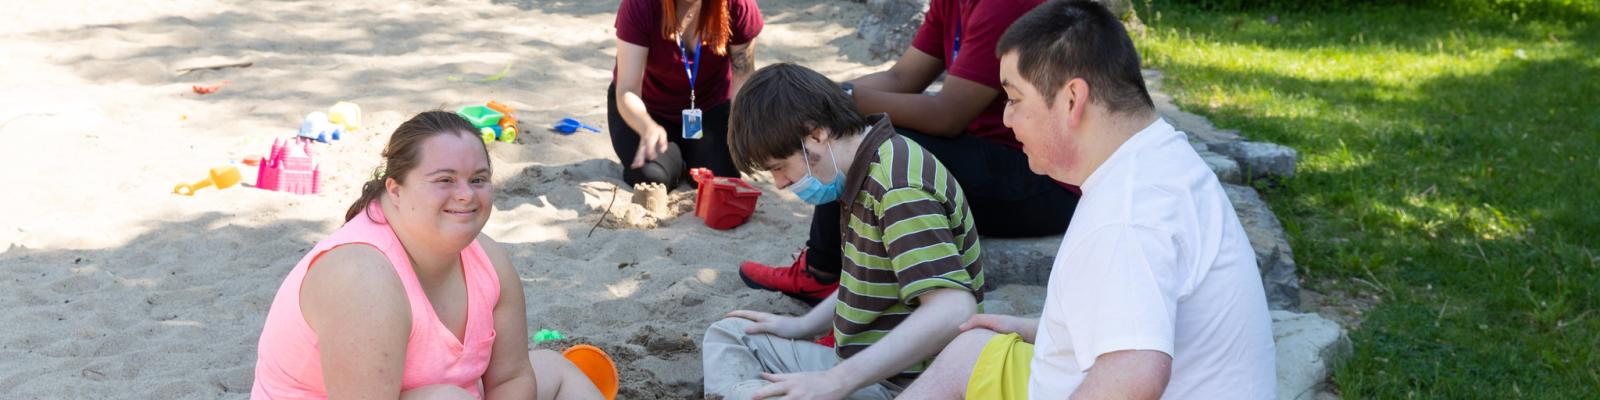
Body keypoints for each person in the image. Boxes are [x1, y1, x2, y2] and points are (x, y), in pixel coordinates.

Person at [896, 1, 1277, 398]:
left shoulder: (1126, 215)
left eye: (1014, 98)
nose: (1006, 119)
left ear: (1072, 99)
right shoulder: (1156, 158)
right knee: (970, 352)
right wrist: (1038, 331)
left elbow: (1133, 378)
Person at [738, 0, 1079, 305]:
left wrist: (836, 105)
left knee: (862, 143)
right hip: (990, 151)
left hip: (1044, 179)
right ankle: (831, 267)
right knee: (850, 136)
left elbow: (947, 115)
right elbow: (901, 78)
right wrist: (824, 100)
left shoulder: (1002, 5)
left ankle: (821, 271)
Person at [252, 111, 607, 400]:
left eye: (478, 179)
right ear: (395, 189)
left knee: (556, 371)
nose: (466, 195)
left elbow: (510, 378)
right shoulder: (361, 276)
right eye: (445, 180)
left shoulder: (488, 259)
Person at [701, 63, 984, 400]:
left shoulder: (897, 188)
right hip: (862, 368)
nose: (781, 183)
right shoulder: (869, 164)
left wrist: (837, 381)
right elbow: (867, 276)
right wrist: (802, 326)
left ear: (816, 134)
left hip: (903, 384)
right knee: (732, 334)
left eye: (779, 167)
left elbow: (953, 309)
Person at [609, 0, 763, 189]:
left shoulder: (738, 5)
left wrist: (740, 128)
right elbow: (628, 90)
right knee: (652, 177)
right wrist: (646, 126)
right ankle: (677, 157)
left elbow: (743, 75)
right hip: (647, 109)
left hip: (710, 106)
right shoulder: (640, 5)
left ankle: (690, 153)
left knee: (718, 177)